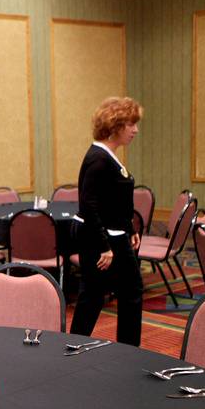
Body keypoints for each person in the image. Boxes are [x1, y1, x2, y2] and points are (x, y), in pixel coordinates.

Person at [70, 97, 144, 346]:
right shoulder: (99, 159)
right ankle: (77, 345)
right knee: (107, 294)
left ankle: (75, 345)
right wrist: (105, 247)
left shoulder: (106, 156)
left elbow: (113, 201)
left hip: (114, 235)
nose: (135, 130)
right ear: (115, 126)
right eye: (131, 124)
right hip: (103, 240)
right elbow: (88, 206)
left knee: (102, 294)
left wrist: (129, 227)